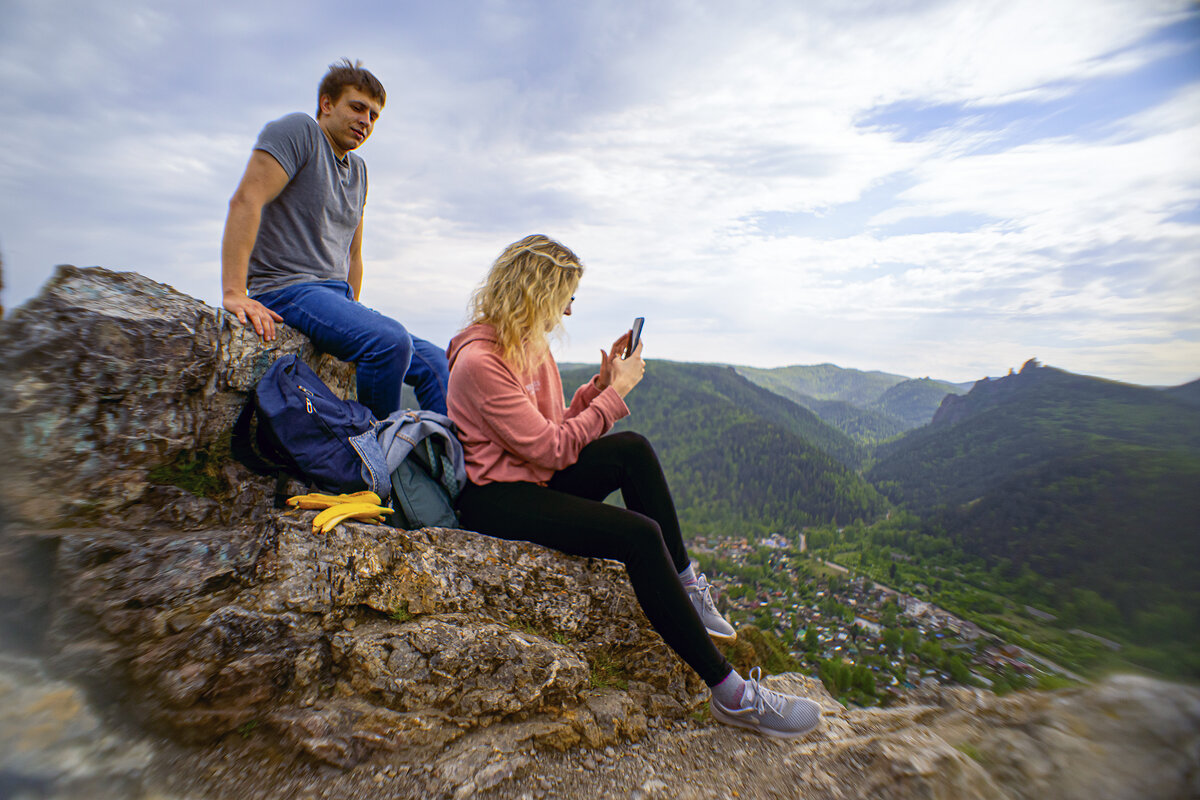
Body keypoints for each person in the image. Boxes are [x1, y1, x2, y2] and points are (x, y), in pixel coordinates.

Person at [445, 234, 823, 739]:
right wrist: (617, 392)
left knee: (633, 449)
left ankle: (687, 586)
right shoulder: (480, 363)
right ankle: (732, 695)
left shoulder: (525, 344)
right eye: (568, 298)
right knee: (640, 537)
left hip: (533, 474)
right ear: (539, 292)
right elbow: (554, 449)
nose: (569, 312)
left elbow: (552, 426)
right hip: (498, 499)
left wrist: (597, 389)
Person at [220, 58, 449, 417]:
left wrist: (349, 317)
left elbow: (354, 254)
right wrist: (234, 292)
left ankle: (454, 469)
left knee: (436, 362)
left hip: (333, 296)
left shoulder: (358, 170)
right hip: (287, 289)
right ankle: (374, 457)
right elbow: (246, 199)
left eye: (374, 115)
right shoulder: (300, 132)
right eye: (357, 107)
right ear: (327, 104)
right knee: (389, 341)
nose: (366, 121)